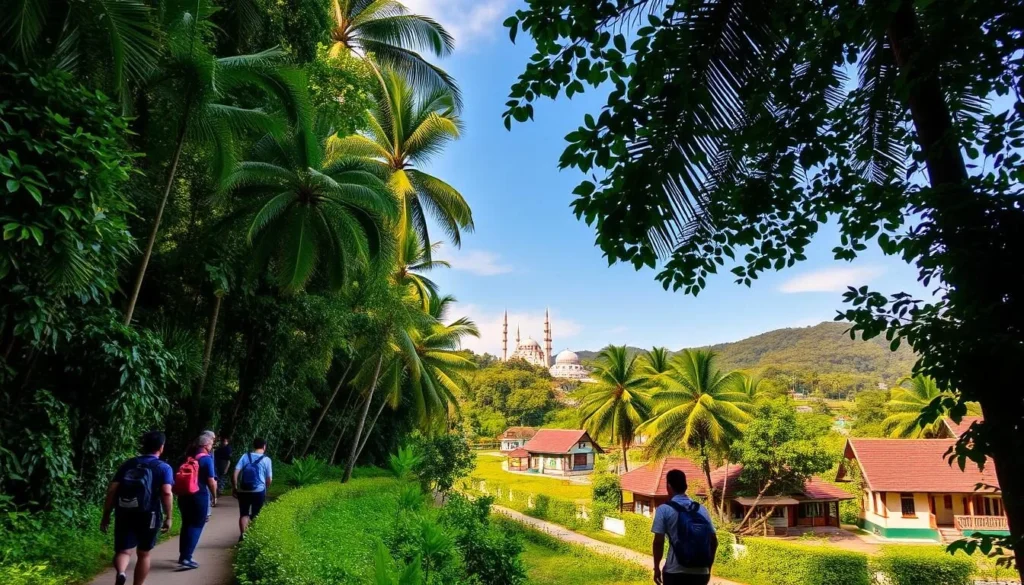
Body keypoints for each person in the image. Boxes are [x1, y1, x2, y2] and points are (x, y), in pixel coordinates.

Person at [100, 431, 174, 585]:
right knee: (144, 553)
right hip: (149, 513)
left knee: (123, 551)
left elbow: (112, 489)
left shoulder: (129, 463)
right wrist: (169, 517)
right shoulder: (164, 468)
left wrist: (106, 514)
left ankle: (121, 573)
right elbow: (167, 492)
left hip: (125, 511)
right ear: (161, 447)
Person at [651, 469, 719, 585]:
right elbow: (714, 541)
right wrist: (708, 568)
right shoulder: (701, 509)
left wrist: (656, 568)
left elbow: (658, 542)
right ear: (686, 486)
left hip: (675, 572)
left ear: (668, 486)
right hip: (700, 573)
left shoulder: (664, 509)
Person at [176, 431, 217, 569]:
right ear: (205, 445)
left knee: (186, 524)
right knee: (197, 525)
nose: (212, 446)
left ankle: (183, 555)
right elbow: (211, 481)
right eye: (211, 444)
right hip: (199, 496)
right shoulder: (206, 459)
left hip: (183, 495)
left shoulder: (188, 456)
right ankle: (186, 559)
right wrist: (214, 496)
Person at [233, 437, 272, 540]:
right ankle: (252, 537)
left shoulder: (245, 456)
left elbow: (236, 472)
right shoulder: (267, 460)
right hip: (259, 490)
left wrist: (235, 486)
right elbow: (269, 479)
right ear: (264, 446)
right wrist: (266, 488)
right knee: (256, 514)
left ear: (254, 446)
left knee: (244, 513)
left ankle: (243, 535)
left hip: (243, 489)